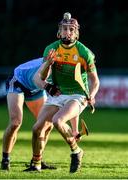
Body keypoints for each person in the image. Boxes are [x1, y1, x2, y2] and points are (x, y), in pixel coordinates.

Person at [24, 12, 100, 173]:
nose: (68, 32)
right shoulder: (51, 49)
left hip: (77, 95)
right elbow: (40, 78)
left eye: (71, 29)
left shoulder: (83, 52)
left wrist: (91, 95)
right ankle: (36, 163)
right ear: (59, 31)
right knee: (37, 128)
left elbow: (95, 80)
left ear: (76, 32)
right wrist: (48, 68)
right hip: (57, 94)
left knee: (58, 120)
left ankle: (76, 151)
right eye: (65, 29)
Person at [0, 51, 62, 171]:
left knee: (47, 124)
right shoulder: (51, 63)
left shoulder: (65, 68)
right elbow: (36, 79)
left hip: (36, 88)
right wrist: (49, 88)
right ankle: (5, 160)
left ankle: (37, 159)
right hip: (18, 81)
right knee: (15, 123)